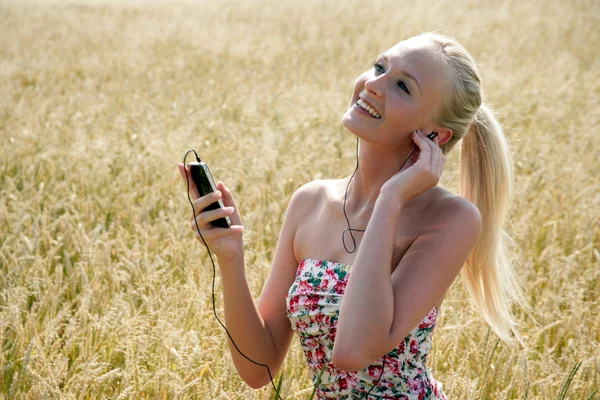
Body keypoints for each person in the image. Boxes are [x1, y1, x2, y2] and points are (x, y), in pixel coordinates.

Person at [178, 32, 529, 399]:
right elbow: (258, 367)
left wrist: (391, 197)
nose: (372, 84)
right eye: (379, 66)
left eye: (402, 87)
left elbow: (353, 351)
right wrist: (231, 257)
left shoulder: (450, 219)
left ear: (434, 135)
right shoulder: (310, 201)